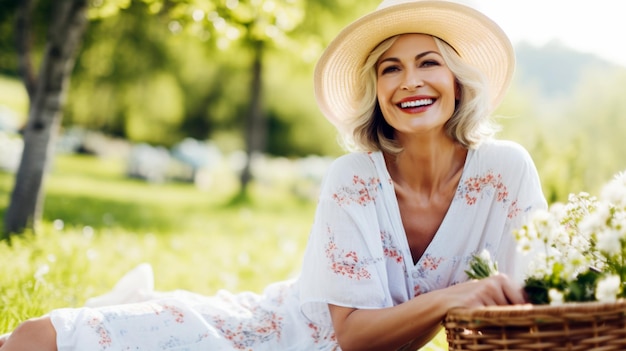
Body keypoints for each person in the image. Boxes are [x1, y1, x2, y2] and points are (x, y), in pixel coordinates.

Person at [0, 0, 547, 350]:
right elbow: (352, 337)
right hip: (270, 334)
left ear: (457, 78)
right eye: (390, 68)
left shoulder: (505, 171)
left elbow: (534, 300)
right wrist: (458, 296)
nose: (410, 81)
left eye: (428, 62)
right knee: (36, 339)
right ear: (377, 95)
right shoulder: (353, 178)